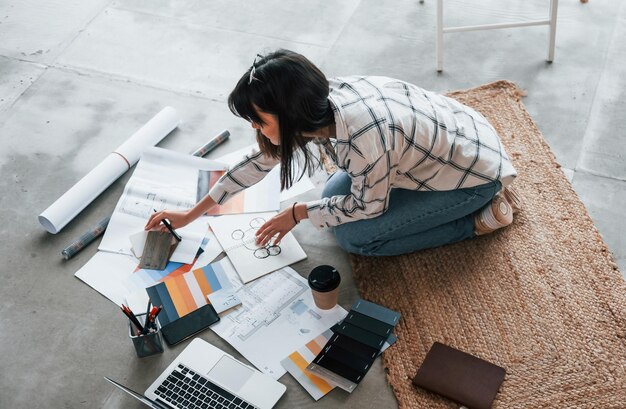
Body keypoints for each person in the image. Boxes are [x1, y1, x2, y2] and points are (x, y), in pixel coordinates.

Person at [145, 49, 520, 257]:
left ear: (288, 115)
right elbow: (256, 164)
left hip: (474, 177)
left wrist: (297, 213)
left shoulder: (364, 137)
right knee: (329, 200)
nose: (254, 129)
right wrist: (191, 214)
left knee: (357, 239)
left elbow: (371, 207)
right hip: (450, 143)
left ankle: (476, 222)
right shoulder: (318, 104)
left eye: (258, 121)